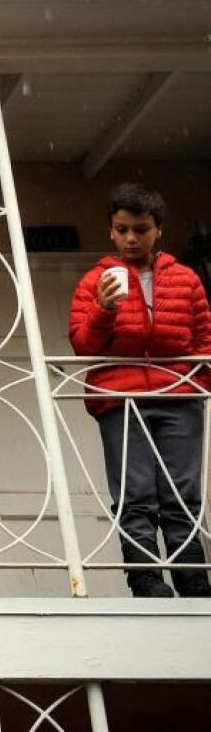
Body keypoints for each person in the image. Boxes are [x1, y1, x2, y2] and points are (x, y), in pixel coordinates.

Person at [69, 183, 211, 598]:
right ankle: (146, 580)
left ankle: (194, 578)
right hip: (121, 400)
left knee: (182, 494)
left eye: (141, 229)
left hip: (179, 398)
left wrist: (194, 385)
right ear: (111, 231)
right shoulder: (94, 281)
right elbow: (83, 345)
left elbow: (204, 340)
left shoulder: (185, 279)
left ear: (158, 231)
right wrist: (103, 308)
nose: (132, 238)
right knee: (135, 495)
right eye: (123, 229)